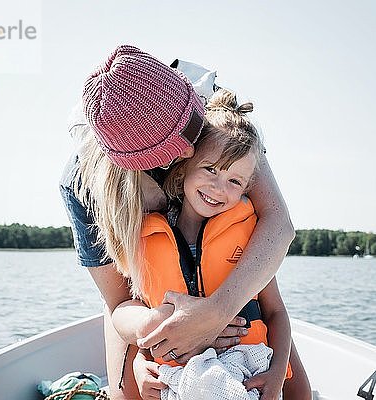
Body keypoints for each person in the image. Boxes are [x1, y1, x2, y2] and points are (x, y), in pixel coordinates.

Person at [60, 45, 310, 399]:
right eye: (183, 143)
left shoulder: (218, 126)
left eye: (194, 126)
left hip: (235, 301)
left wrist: (216, 313)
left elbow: (278, 224)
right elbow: (119, 302)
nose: (194, 150)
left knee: (299, 391)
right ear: (146, 160)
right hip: (151, 302)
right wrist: (152, 334)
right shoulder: (81, 183)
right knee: (128, 394)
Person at [112, 88, 294, 400]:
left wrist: (278, 371)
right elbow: (136, 314)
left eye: (235, 181)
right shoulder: (146, 237)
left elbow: (275, 310)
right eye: (211, 169)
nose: (218, 187)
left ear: (246, 190)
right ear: (183, 166)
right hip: (176, 373)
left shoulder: (249, 236)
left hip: (244, 366)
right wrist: (142, 364)